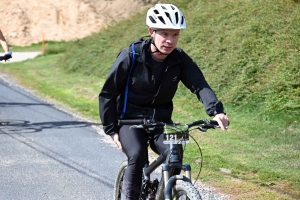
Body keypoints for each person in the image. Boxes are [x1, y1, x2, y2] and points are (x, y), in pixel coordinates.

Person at [99, 3, 229, 199]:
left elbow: (199, 84)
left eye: (175, 35)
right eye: (164, 34)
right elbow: (108, 93)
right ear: (151, 31)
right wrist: (111, 130)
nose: (170, 40)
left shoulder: (179, 59)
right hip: (130, 121)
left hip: (162, 121)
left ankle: (167, 193)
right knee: (137, 155)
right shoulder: (131, 56)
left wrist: (216, 111)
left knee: (175, 152)